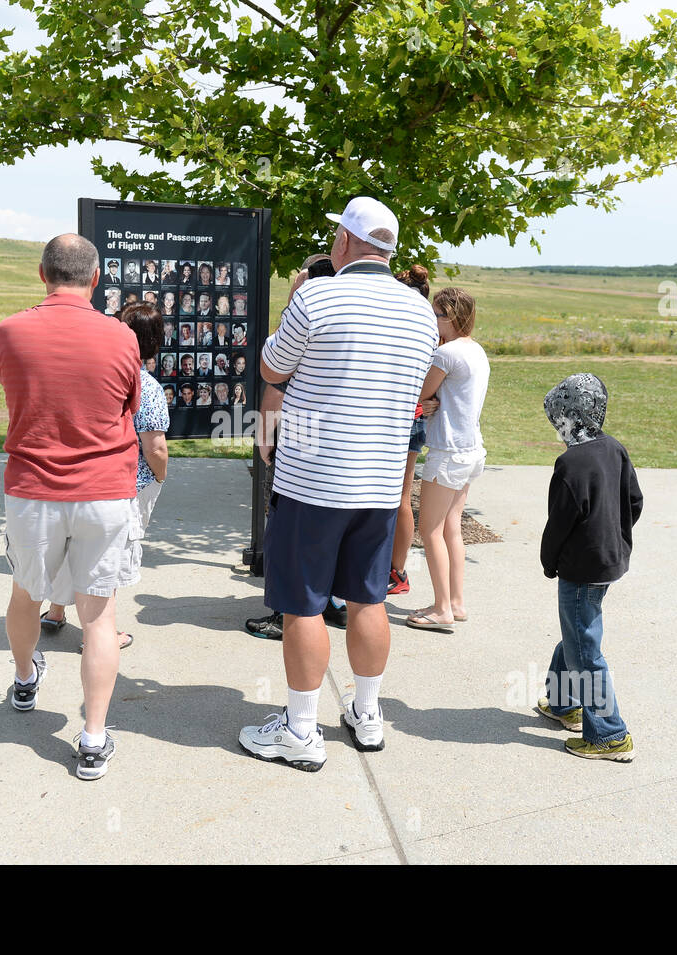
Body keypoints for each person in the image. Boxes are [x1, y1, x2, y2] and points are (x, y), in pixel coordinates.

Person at [238, 197, 437, 771]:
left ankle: (301, 729)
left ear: (345, 243)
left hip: (314, 479)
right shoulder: (420, 312)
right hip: (378, 483)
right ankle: (366, 714)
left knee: (302, 606)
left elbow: (273, 368)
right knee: (367, 598)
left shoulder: (317, 296)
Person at [0, 233, 140, 780]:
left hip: (33, 489)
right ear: (96, 278)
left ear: (42, 273)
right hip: (104, 489)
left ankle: (25, 678)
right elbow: (126, 403)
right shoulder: (122, 337)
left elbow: (21, 396)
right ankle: (94, 737)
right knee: (99, 613)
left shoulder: (11, 331)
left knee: (26, 593)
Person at [42, 302, 170, 654]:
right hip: (125, 485)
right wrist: (160, 477)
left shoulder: (95, 373)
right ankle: (97, 633)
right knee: (106, 560)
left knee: (72, 545)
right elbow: (155, 448)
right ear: (156, 341)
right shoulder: (148, 387)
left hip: (83, 478)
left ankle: (55, 611)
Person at [243, 252, 351, 643]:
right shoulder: (345, 317)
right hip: (341, 448)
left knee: (286, 533)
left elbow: (274, 383)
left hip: (299, 442)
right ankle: (334, 604)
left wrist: (265, 435)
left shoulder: (303, 316)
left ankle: (283, 612)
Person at [535, 373, 641, 762]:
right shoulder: (615, 448)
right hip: (610, 561)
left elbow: (559, 523)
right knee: (577, 633)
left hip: (581, 570)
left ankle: (610, 735)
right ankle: (563, 705)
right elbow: (635, 501)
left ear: (566, 418)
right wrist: (615, 538)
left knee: (585, 650)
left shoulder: (570, 464)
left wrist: (549, 562)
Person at [407, 288, 489, 630]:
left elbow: (421, 393)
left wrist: (425, 402)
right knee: (451, 527)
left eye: (436, 314)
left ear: (451, 316)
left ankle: (441, 609)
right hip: (472, 451)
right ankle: (456, 602)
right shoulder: (477, 351)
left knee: (430, 531)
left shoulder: (446, 355)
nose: (433, 320)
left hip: (448, 452)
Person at [387, 265, 432, 596]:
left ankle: (397, 573)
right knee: (399, 497)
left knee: (396, 498)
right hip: (414, 418)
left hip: (399, 419)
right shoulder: (428, 326)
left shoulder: (398, 325)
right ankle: (395, 570)